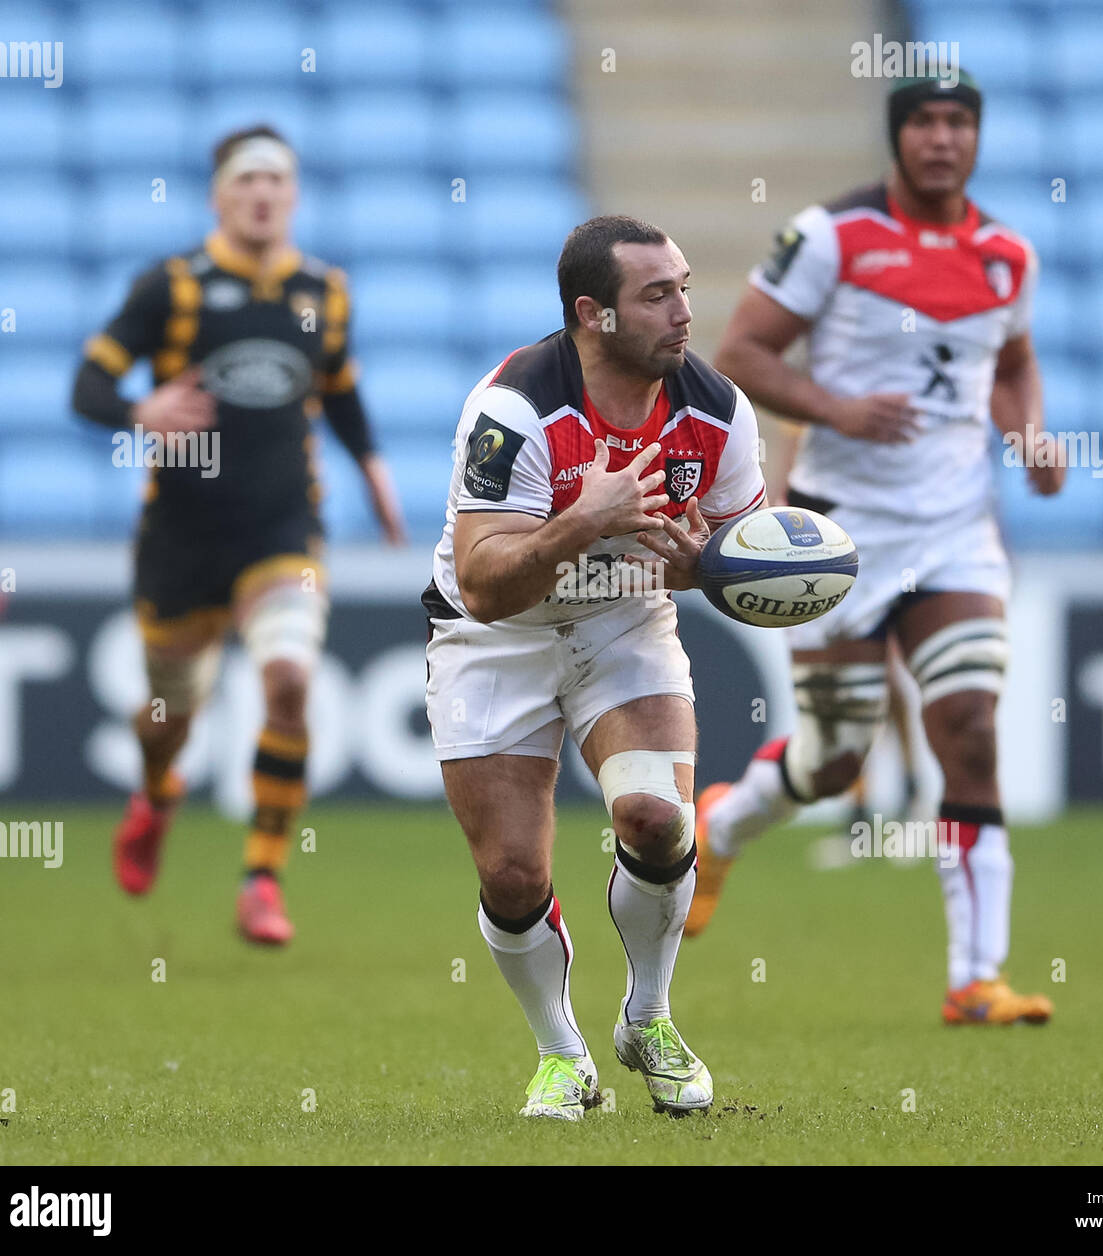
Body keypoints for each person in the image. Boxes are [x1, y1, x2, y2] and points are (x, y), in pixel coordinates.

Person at [686, 73, 1065, 1026]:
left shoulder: (1006, 256)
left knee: (971, 731)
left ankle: (976, 981)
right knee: (834, 760)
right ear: (898, 139)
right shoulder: (831, 236)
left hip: (954, 533)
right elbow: (744, 351)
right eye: (926, 123)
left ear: (976, 138)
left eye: (959, 123)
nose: (943, 139)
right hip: (837, 531)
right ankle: (723, 827)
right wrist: (838, 408)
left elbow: (1011, 364)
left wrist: (1029, 437)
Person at [424, 215, 766, 1118]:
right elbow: (485, 585)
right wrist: (588, 517)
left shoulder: (717, 411)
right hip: (494, 638)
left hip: (622, 625)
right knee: (511, 876)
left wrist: (718, 570)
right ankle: (561, 1053)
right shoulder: (515, 408)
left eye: (684, 286)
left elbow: (729, 559)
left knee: (656, 819)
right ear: (594, 314)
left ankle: (647, 1018)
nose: (684, 312)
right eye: (656, 295)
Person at [73, 125, 404, 945]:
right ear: (220, 196)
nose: (262, 194)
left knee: (289, 680)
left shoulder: (324, 291)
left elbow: (342, 389)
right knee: (165, 719)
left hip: (282, 529)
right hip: (181, 543)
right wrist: (137, 410)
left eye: (276, 182)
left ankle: (261, 877)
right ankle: (156, 793)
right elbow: (88, 382)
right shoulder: (174, 288)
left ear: (293, 196)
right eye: (246, 181)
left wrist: (373, 471)